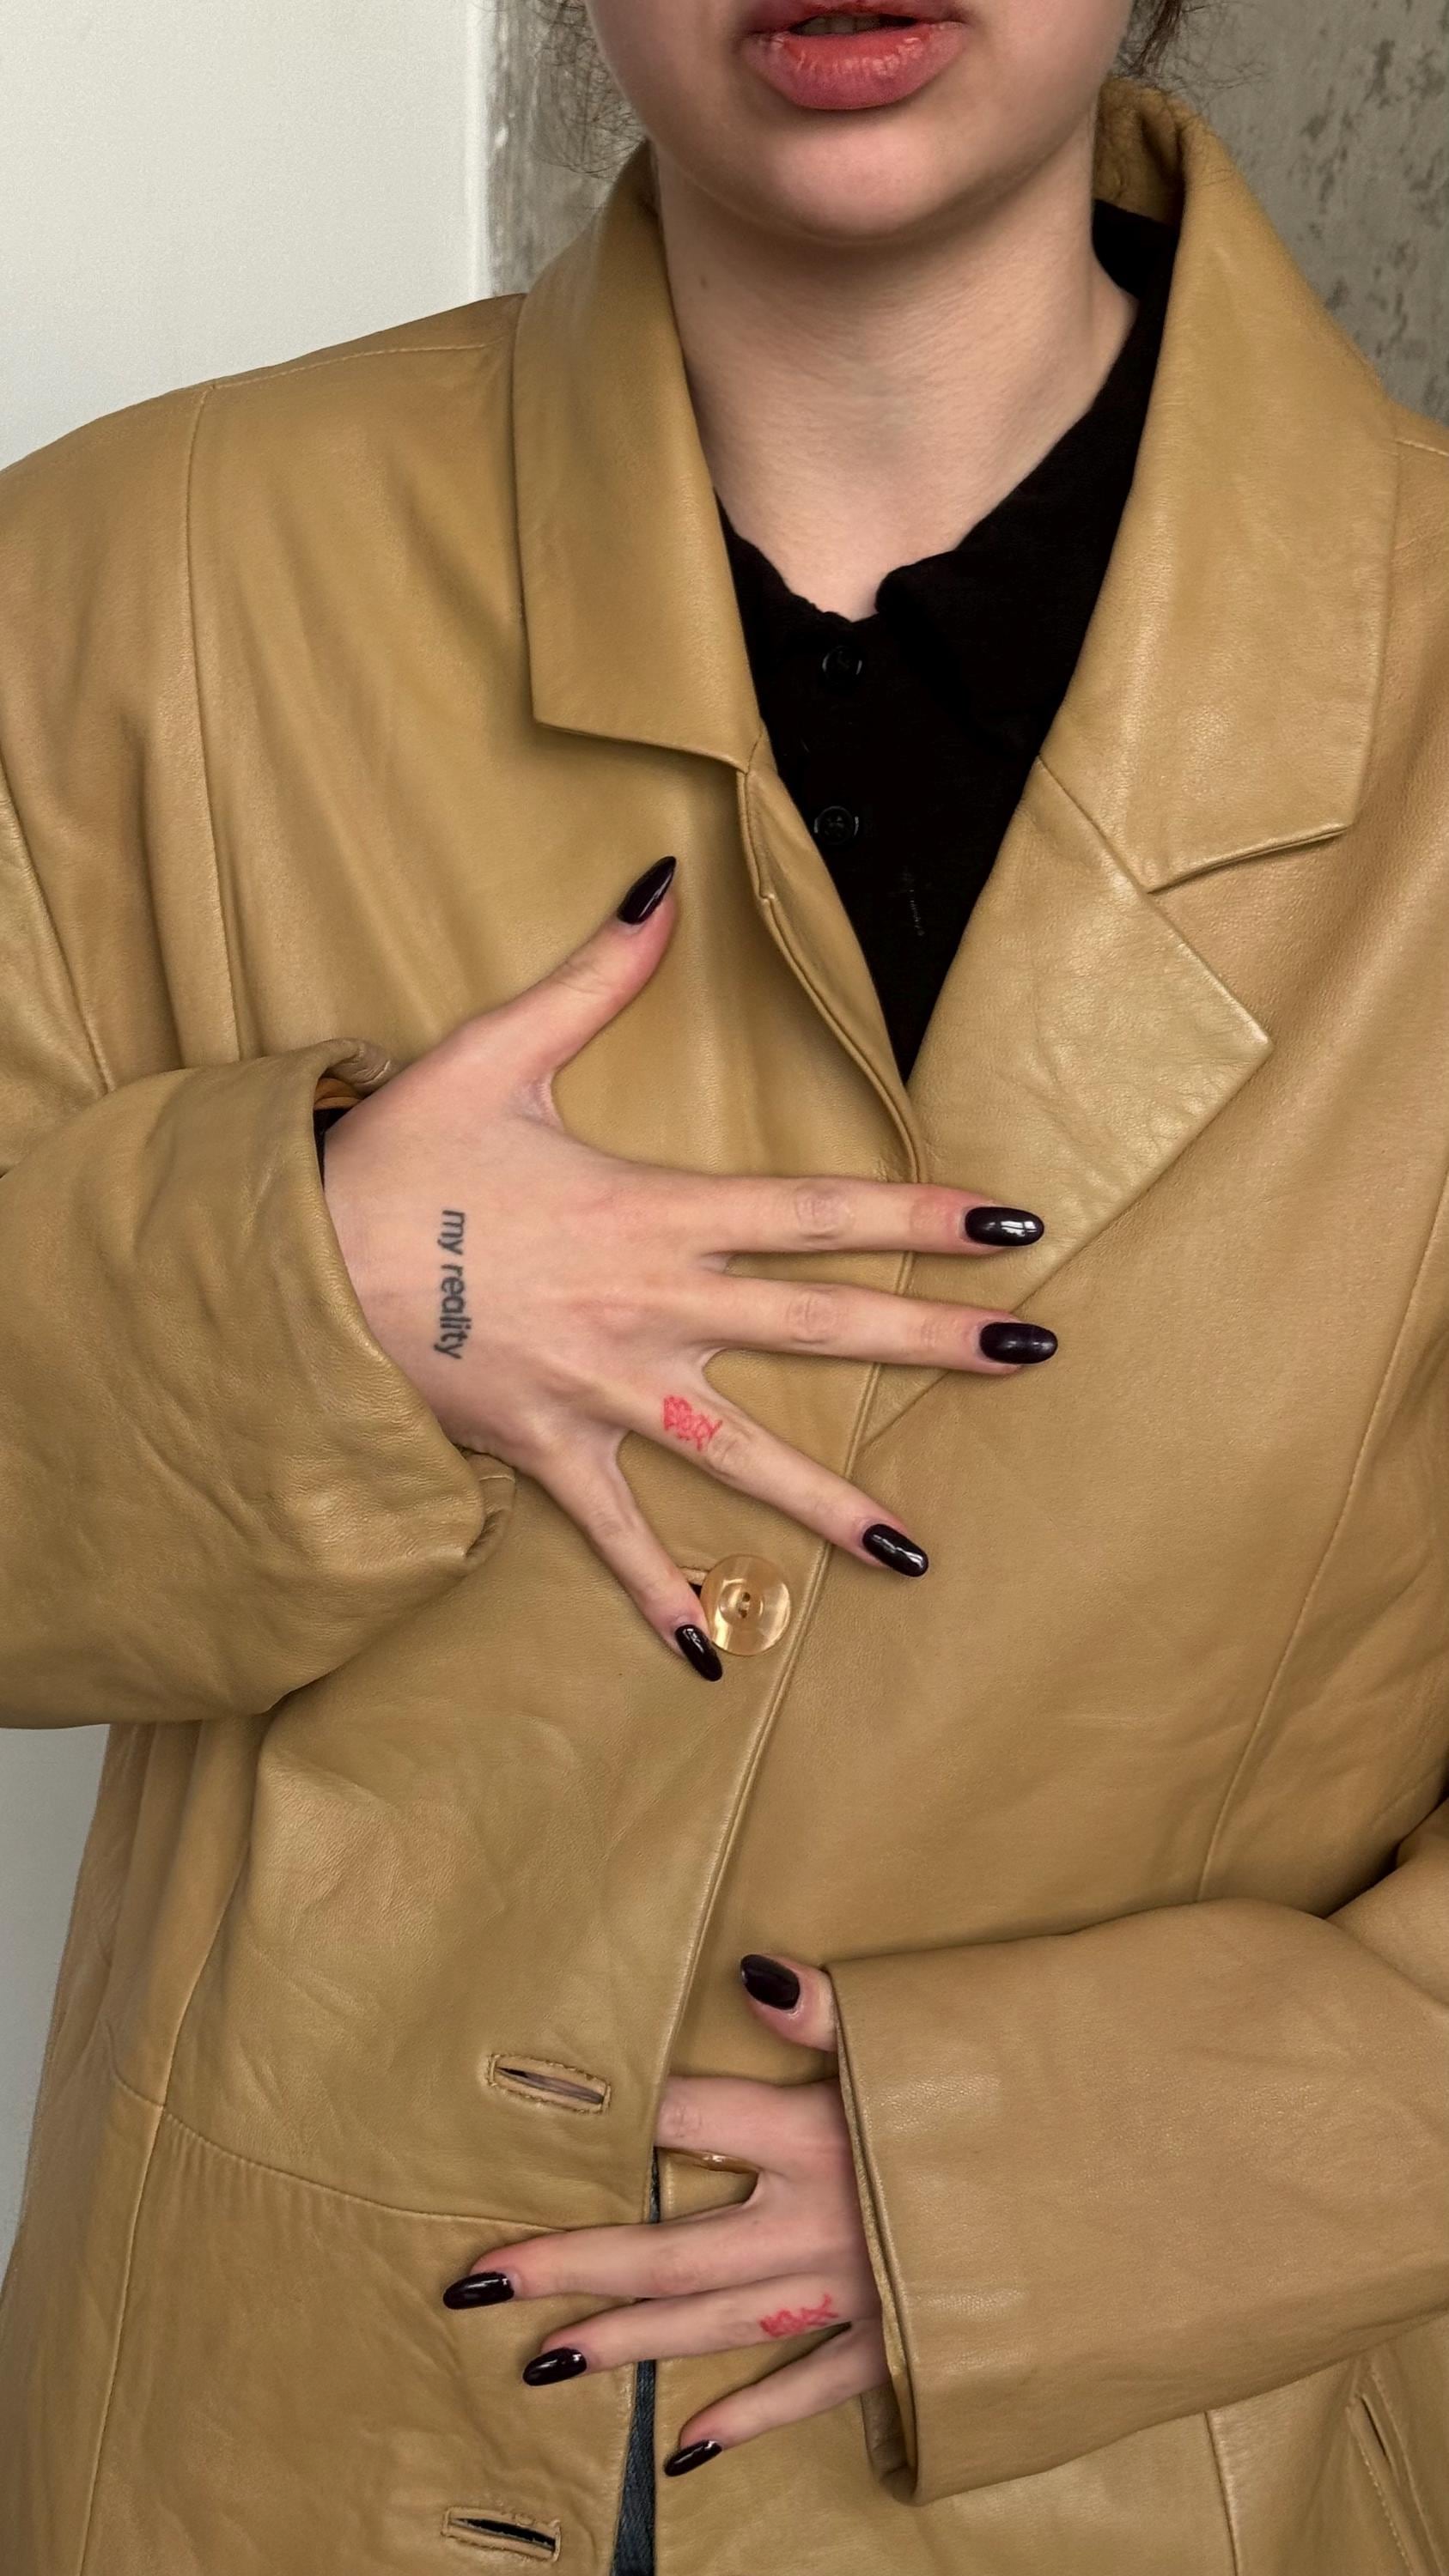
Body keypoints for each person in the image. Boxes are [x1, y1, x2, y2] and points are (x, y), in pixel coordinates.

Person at [2, 0, 1447, 2569]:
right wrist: (305, 1281)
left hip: (1177, 2488)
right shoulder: (133, 587)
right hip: (264, 2453)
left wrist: (1084, 2179)